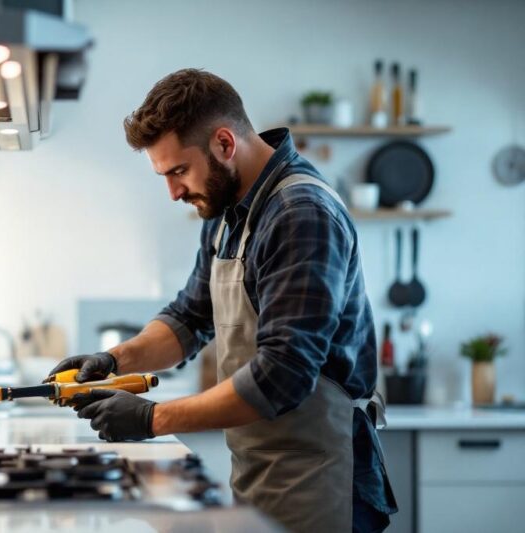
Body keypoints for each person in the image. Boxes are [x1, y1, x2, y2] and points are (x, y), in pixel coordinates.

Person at [48, 69, 397, 532]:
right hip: (265, 472)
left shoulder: (301, 214)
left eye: (178, 171)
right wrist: (114, 359)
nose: (173, 192)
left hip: (325, 479)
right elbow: (188, 319)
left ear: (225, 144)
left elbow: (282, 376)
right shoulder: (227, 212)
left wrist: (151, 418)